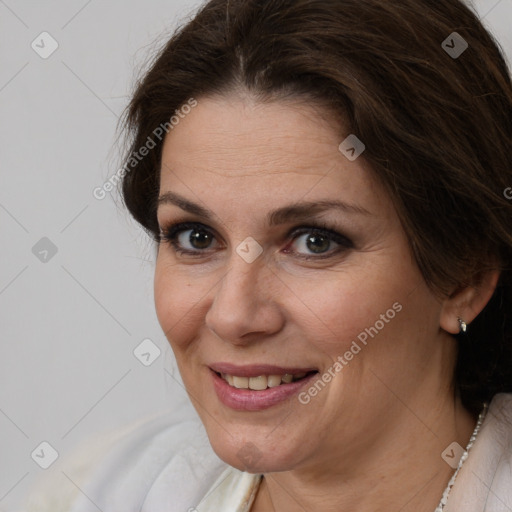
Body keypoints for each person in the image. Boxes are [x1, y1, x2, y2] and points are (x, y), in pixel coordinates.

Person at [26, 0, 512, 510]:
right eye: (196, 237)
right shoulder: (97, 490)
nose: (232, 316)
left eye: (314, 241)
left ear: (465, 276)